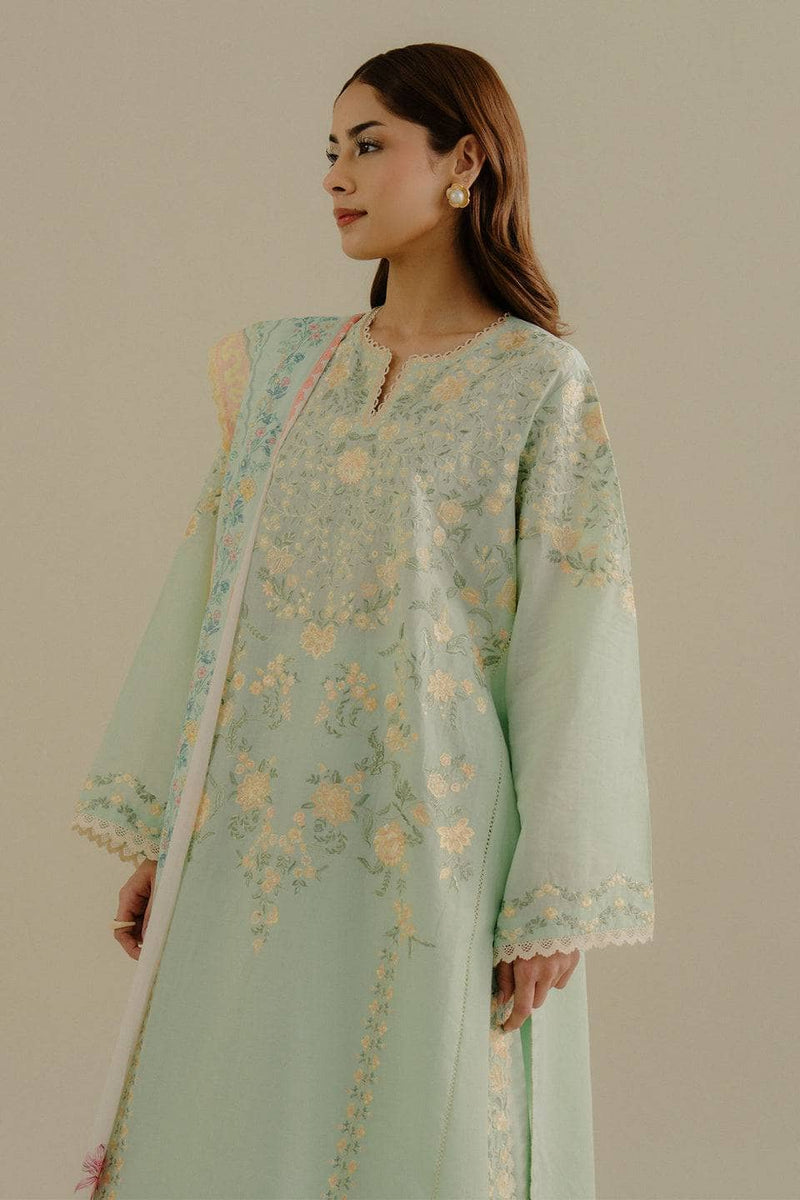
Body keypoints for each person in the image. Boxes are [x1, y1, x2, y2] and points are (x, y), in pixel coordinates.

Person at [72, 42, 655, 1200]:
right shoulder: (281, 371)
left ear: (464, 162)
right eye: (330, 151)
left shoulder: (537, 385)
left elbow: (573, 641)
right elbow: (204, 595)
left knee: (404, 1120)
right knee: (226, 1113)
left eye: (370, 145)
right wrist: (164, 829)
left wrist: (552, 895)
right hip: (250, 829)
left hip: (429, 841)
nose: (335, 175)